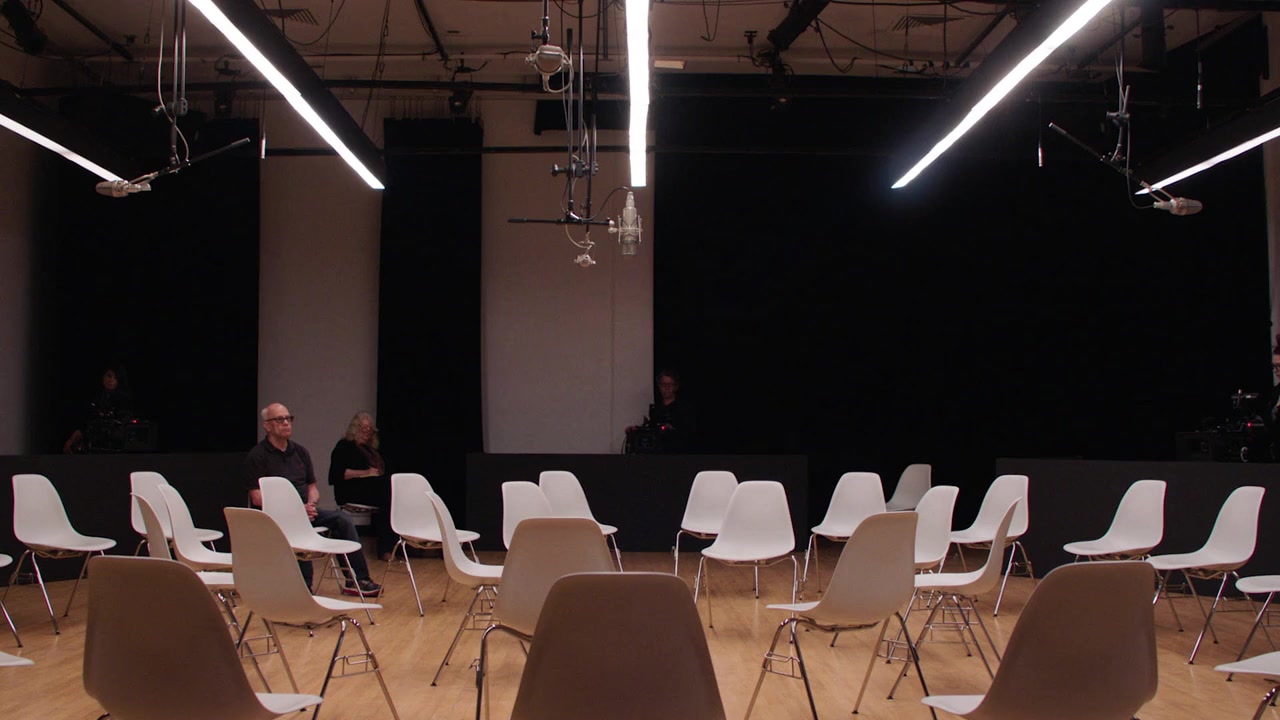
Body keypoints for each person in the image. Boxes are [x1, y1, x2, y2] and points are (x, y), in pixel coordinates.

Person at [244, 403, 382, 597]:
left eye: (288, 419)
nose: (286, 423)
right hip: (278, 517)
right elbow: (257, 497)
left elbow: (312, 488)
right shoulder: (257, 456)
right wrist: (297, 510)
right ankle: (303, 588)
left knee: (342, 519)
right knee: (299, 528)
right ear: (267, 425)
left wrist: (310, 504)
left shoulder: (300, 452)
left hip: (305, 511)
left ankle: (357, 579)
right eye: (280, 419)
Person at [329, 412, 396, 561]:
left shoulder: (371, 450)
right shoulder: (344, 446)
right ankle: (385, 549)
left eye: (369, 429)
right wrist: (366, 472)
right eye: (363, 428)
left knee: (393, 492)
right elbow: (339, 473)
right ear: (355, 428)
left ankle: (395, 545)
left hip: (372, 490)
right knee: (387, 493)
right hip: (350, 490)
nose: (366, 432)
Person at [64, 367, 133, 453]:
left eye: (115, 378)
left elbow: (123, 425)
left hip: (116, 449)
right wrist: (72, 439)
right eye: (109, 376)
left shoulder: (124, 401)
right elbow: (86, 423)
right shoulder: (96, 398)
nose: (111, 380)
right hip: (94, 447)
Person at [650, 370, 696, 451]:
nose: (667, 387)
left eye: (670, 384)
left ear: (676, 387)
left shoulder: (684, 408)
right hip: (659, 453)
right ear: (659, 386)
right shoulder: (656, 409)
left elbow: (690, 433)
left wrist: (673, 429)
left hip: (679, 452)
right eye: (663, 384)